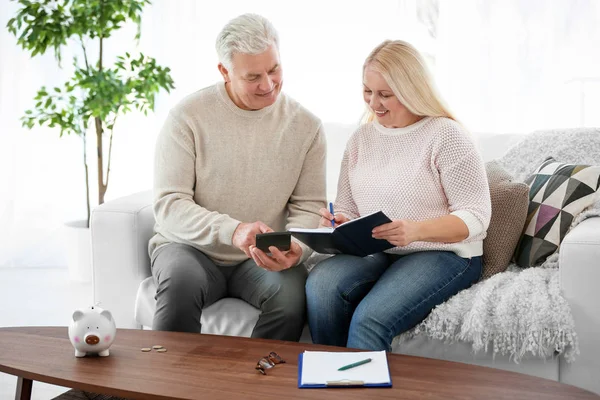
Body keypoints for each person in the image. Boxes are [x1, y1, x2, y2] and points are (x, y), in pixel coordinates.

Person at [149, 13, 326, 341]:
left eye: (274, 70)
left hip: (260, 257)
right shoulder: (187, 117)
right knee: (180, 285)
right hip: (188, 248)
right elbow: (169, 205)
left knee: (289, 299)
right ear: (224, 71)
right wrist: (233, 231)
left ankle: (257, 385)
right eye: (253, 76)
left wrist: (297, 248)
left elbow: (309, 207)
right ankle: (169, 389)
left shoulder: (306, 126)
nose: (268, 84)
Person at [305, 40, 491, 351]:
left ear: (411, 90)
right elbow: (349, 206)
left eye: (385, 94)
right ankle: (332, 385)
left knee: (369, 319)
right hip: (378, 251)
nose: (373, 103)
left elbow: (476, 215)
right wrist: (341, 222)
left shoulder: (446, 135)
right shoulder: (361, 139)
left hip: (443, 253)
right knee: (322, 286)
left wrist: (415, 230)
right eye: (368, 91)